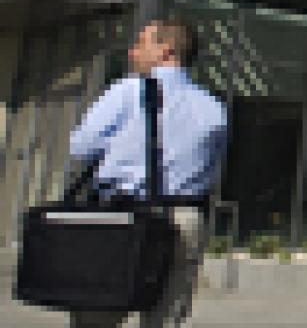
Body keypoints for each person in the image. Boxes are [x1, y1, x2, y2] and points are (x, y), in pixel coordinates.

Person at [67, 17, 228, 328]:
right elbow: (212, 167)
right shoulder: (213, 107)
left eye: (141, 43)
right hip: (184, 218)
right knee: (166, 317)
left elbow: (81, 147)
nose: (132, 52)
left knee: (96, 316)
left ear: (166, 51)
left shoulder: (127, 91)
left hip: (122, 214)